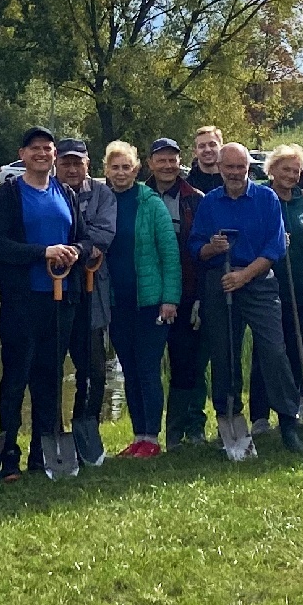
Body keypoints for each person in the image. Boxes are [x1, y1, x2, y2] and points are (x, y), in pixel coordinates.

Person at [0, 127, 91, 480]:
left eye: (48, 149)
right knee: (15, 377)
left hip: (61, 300)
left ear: (55, 154)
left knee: (50, 376)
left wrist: (75, 252)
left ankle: (42, 452)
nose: (42, 154)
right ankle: (9, 453)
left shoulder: (65, 192)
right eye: (35, 149)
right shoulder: (8, 195)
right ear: (22, 154)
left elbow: (81, 238)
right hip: (22, 300)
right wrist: (41, 252)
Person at [188, 143, 303, 454]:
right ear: (219, 168)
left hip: (258, 280)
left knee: (273, 351)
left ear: (248, 168)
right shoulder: (209, 203)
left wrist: (244, 276)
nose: (235, 173)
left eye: (240, 167)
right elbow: (195, 248)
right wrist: (212, 248)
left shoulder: (266, 199)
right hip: (220, 282)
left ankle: (288, 423)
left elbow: (274, 248)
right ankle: (229, 419)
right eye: (229, 167)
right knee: (224, 354)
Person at [98, 141, 181, 456]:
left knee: (147, 369)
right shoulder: (102, 202)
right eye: (114, 167)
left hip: (151, 302)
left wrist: (170, 298)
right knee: (128, 370)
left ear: (136, 169)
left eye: (126, 167)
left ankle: (152, 437)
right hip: (117, 303)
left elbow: (170, 255)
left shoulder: (150, 203)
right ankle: (138, 436)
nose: (121, 173)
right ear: (106, 170)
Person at [56, 139, 118, 464]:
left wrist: (73, 247)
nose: (71, 168)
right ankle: (52, 434)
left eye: (76, 162)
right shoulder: (48, 193)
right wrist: (81, 244)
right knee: (50, 369)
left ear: (87, 164)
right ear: (56, 164)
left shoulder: (102, 194)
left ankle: (86, 426)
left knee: (93, 370)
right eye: (65, 162)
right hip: (54, 294)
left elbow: (104, 235)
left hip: (93, 292)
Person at [147, 137, 207, 448]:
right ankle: (157, 432)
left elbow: (201, 251)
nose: (167, 166)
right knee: (150, 366)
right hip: (149, 296)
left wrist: (199, 296)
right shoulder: (140, 197)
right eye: (161, 160)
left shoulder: (195, 199)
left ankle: (191, 427)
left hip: (187, 295)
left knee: (190, 365)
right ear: (151, 163)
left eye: (172, 160)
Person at [257, 145, 303, 428]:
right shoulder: (259, 199)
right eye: (286, 169)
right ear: (272, 170)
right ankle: (260, 414)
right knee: (267, 352)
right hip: (268, 290)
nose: (292, 175)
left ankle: (300, 403)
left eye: (296, 171)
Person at [188, 125, 225, 194]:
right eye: (202, 146)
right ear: (195, 151)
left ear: (221, 147)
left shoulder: (232, 181)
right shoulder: (187, 186)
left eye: (212, 144)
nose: (207, 150)